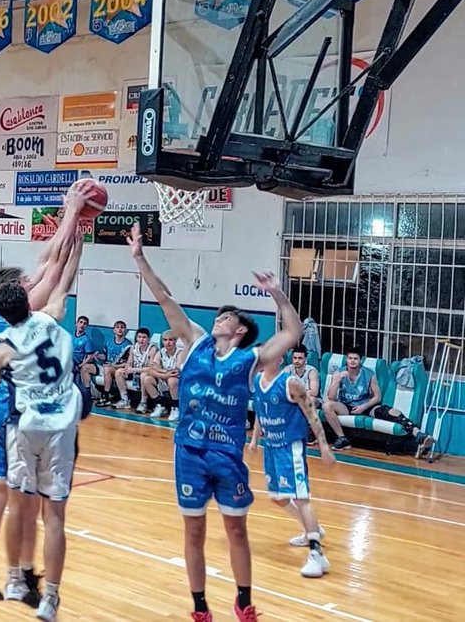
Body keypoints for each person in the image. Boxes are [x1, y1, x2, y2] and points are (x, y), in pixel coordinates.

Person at [127, 222, 301, 622]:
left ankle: (243, 600)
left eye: (226, 317)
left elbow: (292, 331)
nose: (219, 318)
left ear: (239, 331)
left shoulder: (249, 358)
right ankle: (200, 607)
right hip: (189, 451)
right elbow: (164, 297)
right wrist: (140, 258)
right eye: (219, 315)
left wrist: (277, 293)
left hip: (227, 455)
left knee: (236, 531)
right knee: (194, 532)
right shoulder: (197, 341)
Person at [0, 189, 88, 622]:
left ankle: (14, 575)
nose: (33, 277)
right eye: (27, 280)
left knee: (16, 499)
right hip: (30, 414)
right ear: (22, 291)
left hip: (26, 417)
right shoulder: (40, 310)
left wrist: (72, 224)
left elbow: (54, 260)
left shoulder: (16, 322)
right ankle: (14, 576)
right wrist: (73, 214)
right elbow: (59, 268)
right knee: (28, 504)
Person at [248, 350, 336, 578]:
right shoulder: (258, 381)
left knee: (301, 497)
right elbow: (260, 410)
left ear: (278, 360)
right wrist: (255, 438)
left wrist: (324, 445)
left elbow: (311, 414)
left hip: (291, 447)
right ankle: (312, 530)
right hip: (272, 447)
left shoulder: (291, 384)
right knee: (278, 497)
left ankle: (317, 554)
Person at [325, 348, 435, 457]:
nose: (352, 361)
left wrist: (363, 407)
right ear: (346, 360)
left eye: (355, 359)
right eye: (350, 358)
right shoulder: (339, 373)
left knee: (390, 411)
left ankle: (419, 434)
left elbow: (377, 397)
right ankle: (342, 438)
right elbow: (331, 396)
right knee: (327, 406)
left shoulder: (369, 374)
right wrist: (337, 380)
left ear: (360, 360)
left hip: (365, 405)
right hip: (346, 406)